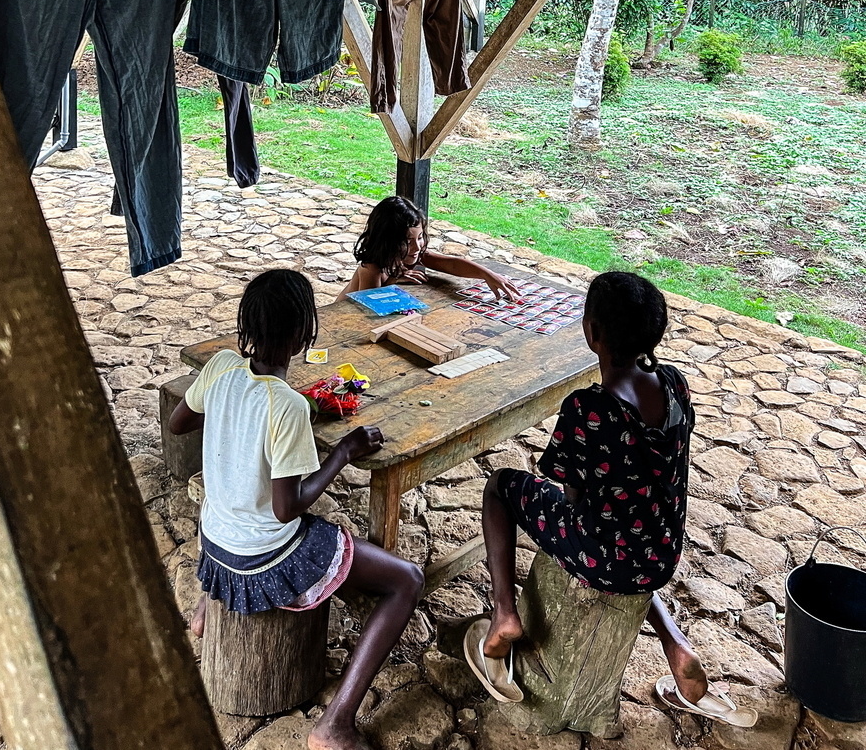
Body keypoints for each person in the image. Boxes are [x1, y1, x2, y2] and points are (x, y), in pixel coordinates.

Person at [467, 270, 756, 728]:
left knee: (500, 487)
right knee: (629, 544)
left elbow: (573, 495)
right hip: (660, 552)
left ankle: (504, 613)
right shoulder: (674, 384)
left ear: (591, 332)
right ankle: (675, 643)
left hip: (603, 557)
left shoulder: (587, 409)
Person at [169, 268, 424, 750]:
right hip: (261, 556)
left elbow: (182, 422)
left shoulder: (222, 366)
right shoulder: (286, 406)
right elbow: (288, 509)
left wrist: (234, 423)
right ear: (307, 334)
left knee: (252, 517)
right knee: (407, 579)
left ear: (247, 327)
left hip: (216, 539)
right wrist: (343, 453)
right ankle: (335, 724)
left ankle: (209, 603)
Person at [342, 195, 521, 301]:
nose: (417, 246)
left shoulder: (411, 253)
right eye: (407, 241)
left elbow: (451, 265)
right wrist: (393, 282)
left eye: (419, 237)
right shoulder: (372, 268)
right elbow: (367, 306)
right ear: (387, 241)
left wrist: (487, 275)